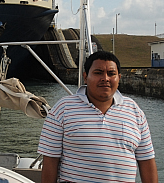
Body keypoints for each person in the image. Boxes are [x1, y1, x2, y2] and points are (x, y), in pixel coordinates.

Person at [37, 51, 158, 183]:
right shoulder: (63, 109)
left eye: (111, 74)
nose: (105, 78)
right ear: (85, 77)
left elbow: (146, 160)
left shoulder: (135, 111)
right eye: (98, 72)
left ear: (119, 78)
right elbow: (50, 161)